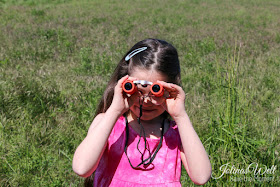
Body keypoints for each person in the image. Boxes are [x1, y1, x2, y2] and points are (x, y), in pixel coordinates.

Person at [72, 38, 212, 186]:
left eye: (156, 92)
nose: (145, 100)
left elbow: (201, 177)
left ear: (171, 91)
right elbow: (81, 168)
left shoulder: (176, 134)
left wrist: (180, 116)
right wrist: (115, 110)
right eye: (137, 91)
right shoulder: (107, 123)